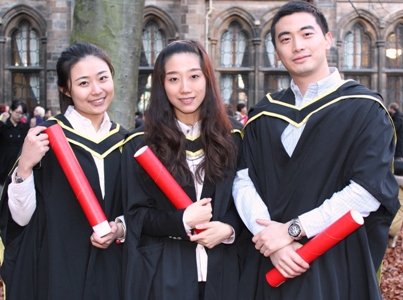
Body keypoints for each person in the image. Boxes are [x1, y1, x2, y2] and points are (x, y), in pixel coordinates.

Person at [232, 1, 400, 299]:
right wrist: (273, 241)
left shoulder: (364, 109)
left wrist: (292, 231)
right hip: (269, 261)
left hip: (336, 261)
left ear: (327, 39)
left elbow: (366, 192)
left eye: (306, 34)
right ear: (276, 50)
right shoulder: (264, 115)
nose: (297, 45)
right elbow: (243, 180)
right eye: (285, 39)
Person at [0, 42, 128, 300]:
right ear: (64, 88)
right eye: (83, 83)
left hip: (114, 271)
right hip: (57, 271)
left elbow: (137, 210)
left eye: (103, 78)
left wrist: (120, 228)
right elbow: (20, 220)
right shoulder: (45, 139)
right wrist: (25, 165)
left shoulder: (126, 142)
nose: (97, 90)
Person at [121, 40, 244, 300]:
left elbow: (247, 200)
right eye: (174, 79)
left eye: (194, 76)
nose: (185, 88)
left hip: (226, 274)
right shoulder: (141, 144)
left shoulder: (234, 137)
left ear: (208, 79)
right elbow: (135, 216)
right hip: (166, 275)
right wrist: (181, 221)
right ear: (161, 85)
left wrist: (228, 229)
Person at [0, 100, 30, 190]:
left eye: (22, 114)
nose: (19, 116)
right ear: (11, 111)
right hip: (4, 163)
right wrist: (1, 123)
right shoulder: (4, 126)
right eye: (17, 112)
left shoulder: (25, 127)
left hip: (18, 163)